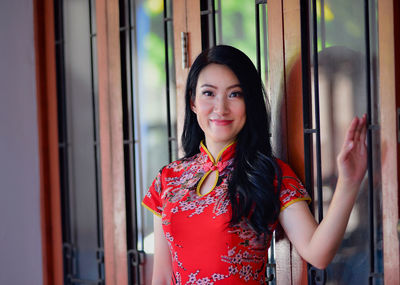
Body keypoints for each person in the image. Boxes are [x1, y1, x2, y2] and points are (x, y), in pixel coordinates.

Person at [142, 45, 367, 284]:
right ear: (193, 102)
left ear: (249, 103)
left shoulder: (268, 174)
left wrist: (349, 183)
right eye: (209, 93)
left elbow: (317, 253)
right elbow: (163, 277)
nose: (221, 108)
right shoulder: (168, 179)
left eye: (234, 94)